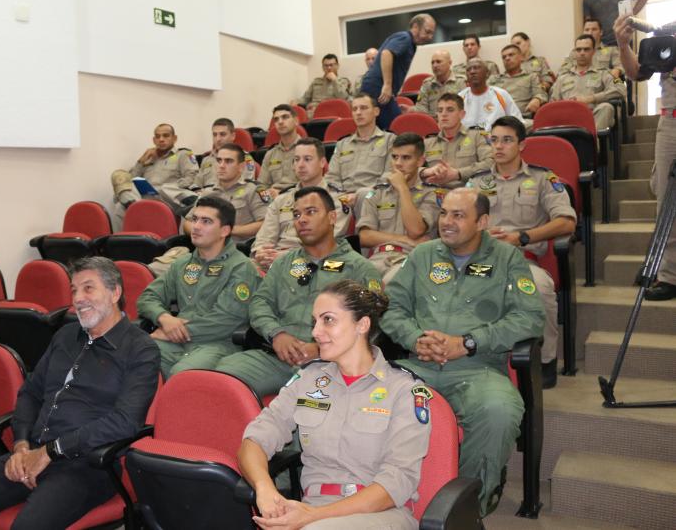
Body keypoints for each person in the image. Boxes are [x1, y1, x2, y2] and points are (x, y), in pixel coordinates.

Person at [0, 257, 160, 529]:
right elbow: (30, 393)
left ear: (115, 292)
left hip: (87, 465)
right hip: (33, 451)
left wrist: (52, 451)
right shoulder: (65, 336)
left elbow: (125, 422)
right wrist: (21, 445)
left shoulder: (140, 349)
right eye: (74, 290)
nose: (78, 298)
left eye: (88, 288)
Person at [380, 188, 545, 515]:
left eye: (458, 215)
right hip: (419, 365)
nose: (447, 222)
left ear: (482, 222)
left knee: (499, 411)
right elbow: (391, 308)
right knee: (367, 398)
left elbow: (530, 318)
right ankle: (378, 497)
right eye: (444, 213)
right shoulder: (423, 255)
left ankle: (468, 507)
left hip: (478, 368)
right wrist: (415, 338)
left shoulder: (507, 259)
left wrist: (468, 342)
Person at [238, 280, 430, 530]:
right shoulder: (308, 379)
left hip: (381, 513)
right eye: (315, 321)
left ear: (362, 325)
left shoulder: (404, 389)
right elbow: (255, 440)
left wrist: (312, 517)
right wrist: (265, 489)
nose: (316, 332)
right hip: (313, 508)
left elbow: (397, 482)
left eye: (328, 320)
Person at [216, 186, 383, 398]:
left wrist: (322, 347)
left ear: (332, 217)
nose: (301, 220)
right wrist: (277, 334)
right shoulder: (283, 263)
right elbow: (260, 303)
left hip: (330, 363)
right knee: (219, 381)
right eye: (296, 215)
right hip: (276, 356)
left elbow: (371, 324)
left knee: (309, 405)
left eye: (311, 212)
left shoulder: (360, 269)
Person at [468, 116, 577, 388]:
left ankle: (546, 360)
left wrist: (523, 237)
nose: (498, 146)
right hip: (481, 259)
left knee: (540, 288)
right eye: (494, 140)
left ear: (521, 145)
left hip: (522, 260)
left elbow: (566, 221)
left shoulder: (542, 179)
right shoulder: (476, 183)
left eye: (507, 140)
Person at [138, 196, 262, 378]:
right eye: (195, 219)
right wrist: (164, 318)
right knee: (134, 357)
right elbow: (148, 297)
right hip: (176, 341)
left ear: (224, 230)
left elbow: (225, 321)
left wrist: (172, 331)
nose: (196, 226)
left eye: (206, 221)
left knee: (182, 376)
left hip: (217, 344)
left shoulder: (241, 268)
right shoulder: (182, 264)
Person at [615, 14, 676, 300]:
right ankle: (670, 275)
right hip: (671, 122)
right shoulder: (668, 32)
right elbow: (636, 74)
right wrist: (623, 44)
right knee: (666, 198)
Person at [252, 138, 353, 271]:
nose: (300, 165)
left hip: (313, 262)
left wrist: (285, 257)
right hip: (273, 260)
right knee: (240, 269)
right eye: (296, 159)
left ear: (322, 162)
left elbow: (324, 244)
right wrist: (261, 252)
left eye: (307, 159)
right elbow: (264, 237)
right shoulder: (281, 200)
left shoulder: (337, 201)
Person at [358, 132, 440, 284]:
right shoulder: (378, 192)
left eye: (406, 158)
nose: (398, 163)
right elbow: (364, 236)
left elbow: (415, 230)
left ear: (420, 161)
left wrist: (402, 188)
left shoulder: (432, 193)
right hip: (377, 258)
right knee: (353, 284)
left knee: (390, 283)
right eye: (395, 157)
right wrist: (403, 239)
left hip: (411, 259)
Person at [110, 123, 199, 226]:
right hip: (143, 197)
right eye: (157, 136)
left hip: (166, 199)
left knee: (164, 190)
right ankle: (136, 211)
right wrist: (141, 161)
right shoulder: (149, 157)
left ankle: (137, 210)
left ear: (174, 138)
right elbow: (130, 181)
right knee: (119, 182)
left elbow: (191, 177)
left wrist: (169, 188)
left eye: (166, 135)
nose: (161, 139)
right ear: (154, 140)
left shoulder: (183, 154)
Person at [324, 93, 397, 218]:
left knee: (364, 195)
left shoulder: (390, 140)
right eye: (354, 109)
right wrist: (342, 196)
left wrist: (359, 195)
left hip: (374, 194)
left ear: (376, 111)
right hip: (343, 197)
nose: (358, 112)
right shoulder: (342, 144)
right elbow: (332, 177)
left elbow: (389, 174)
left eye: (363, 108)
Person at [361, 14, 437, 130]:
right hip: (377, 87)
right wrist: (387, 85)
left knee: (381, 130)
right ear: (415, 27)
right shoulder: (405, 38)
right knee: (397, 127)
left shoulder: (411, 44)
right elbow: (386, 53)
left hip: (377, 87)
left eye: (432, 33)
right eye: (427, 32)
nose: (430, 37)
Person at [180, 144, 268, 242]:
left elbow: (265, 223)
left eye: (228, 161)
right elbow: (187, 223)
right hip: (206, 246)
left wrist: (228, 230)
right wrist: (204, 230)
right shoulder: (207, 193)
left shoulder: (253, 190)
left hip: (239, 247)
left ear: (241, 166)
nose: (221, 166)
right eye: (219, 160)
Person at [550, 34, 626, 130]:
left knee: (606, 107)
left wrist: (591, 98)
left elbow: (621, 90)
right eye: (578, 50)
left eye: (586, 49)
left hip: (593, 117)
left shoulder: (604, 73)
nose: (582, 53)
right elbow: (553, 103)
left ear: (593, 51)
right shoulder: (563, 78)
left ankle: (591, 139)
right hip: (567, 120)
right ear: (574, 52)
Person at [420, 93, 494, 188]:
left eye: (450, 110)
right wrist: (425, 172)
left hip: (468, 191)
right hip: (434, 193)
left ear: (461, 114)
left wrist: (458, 174)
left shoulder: (477, 136)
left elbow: (491, 162)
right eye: (440, 110)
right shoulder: (428, 142)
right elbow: (410, 169)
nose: (444, 114)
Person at [583, 0, 649, 47]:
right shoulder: (588, 0)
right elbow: (588, 23)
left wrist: (631, 15)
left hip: (622, 39)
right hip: (601, 43)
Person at [458, 59, 524, 130]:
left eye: (476, 68)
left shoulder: (501, 94)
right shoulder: (460, 98)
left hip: (496, 136)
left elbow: (518, 123)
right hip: (468, 136)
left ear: (487, 73)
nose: (472, 72)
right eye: (468, 70)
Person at [490, 44, 548, 124]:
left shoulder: (531, 77)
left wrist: (537, 99)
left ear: (521, 57)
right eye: (504, 57)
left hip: (520, 120)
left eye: (511, 55)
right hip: (496, 120)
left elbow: (541, 93)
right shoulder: (494, 79)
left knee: (536, 124)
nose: (507, 58)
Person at [258, 105, 302, 194]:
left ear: (296, 121)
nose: (280, 122)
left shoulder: (308, 149)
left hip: (298, 197)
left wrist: (281, 194)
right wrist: (266, 196)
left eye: (285, 117)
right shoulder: (270, 154)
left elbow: (312, 185)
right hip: (272, 199)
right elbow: (261, 186)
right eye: (276, 119)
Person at [294, 54, 352, 118]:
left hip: (332, 113)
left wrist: (334, 80)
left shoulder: (343, 81)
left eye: (331, 65)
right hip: (314, 113)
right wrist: (296, 102)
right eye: (326, 65)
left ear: (337, 66)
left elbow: (343, 98)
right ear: (323, 67)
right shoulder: (316, 81)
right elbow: (305, 98)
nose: (329, 68)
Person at [412, 50, 467, 117]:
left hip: (455, 121)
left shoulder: (461, 82)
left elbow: (466, 108)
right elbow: (421, 109)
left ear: (449, 63)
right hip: (432, 121)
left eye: (438, 62)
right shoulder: (427, 84)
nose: (435, 65)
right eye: (432, 63)